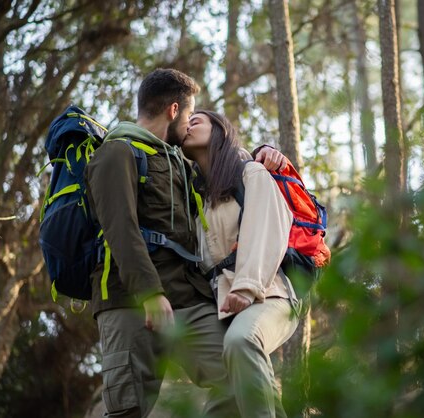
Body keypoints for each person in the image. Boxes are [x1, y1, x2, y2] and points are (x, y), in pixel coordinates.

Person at [85, 68, 286, 418]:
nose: (192, 123)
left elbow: (223, 167)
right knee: (127, 410)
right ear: (174, 111)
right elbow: (121, 228)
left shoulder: (178, 163)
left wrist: (264, 152)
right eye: (191, 114)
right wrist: (149, 292)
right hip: (127, 300)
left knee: (238, 374)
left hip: (187, 300)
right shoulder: (116, 152)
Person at [182, 109, 299, 418]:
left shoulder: (250, 173)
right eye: (185, 122)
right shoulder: (197, 198)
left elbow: (266, 231)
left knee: (240, 341)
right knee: (224, 404)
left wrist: (246, 288)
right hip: (228, 309)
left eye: (197, 120)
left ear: (220, 129)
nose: (188, 124)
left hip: (270, 295)